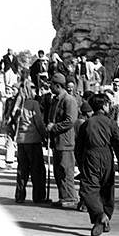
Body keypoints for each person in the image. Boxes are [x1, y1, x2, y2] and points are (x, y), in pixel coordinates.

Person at [76, 93, 119, 236]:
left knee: (88, 189)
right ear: (104, 106)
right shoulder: (110, 123)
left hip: (90, 156)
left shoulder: (86, 123)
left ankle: (99, 216)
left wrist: (81, 164)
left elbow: (78, 147)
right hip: (106, 156)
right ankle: (104, 216)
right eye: (108, 104)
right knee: (107, 189)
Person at [45, 73, 79, 209]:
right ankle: (63, 197)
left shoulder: (69, 100)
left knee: (66, 171)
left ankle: (71, 197)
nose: (50, 87)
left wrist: (54, 127)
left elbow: (70, 120)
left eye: (51, 85)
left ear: (57, 85)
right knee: (58, 172)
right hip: (56, 141)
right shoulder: (55, 100)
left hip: (65, 142)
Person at [13, 81, 47, 203]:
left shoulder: (16, 104)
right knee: (37, 170)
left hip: (21, 140)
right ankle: (38, 197)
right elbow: (38, 121)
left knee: (22, 169)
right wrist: (45, 136)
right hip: (33, 139)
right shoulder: (33, 103)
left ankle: (19, 196)